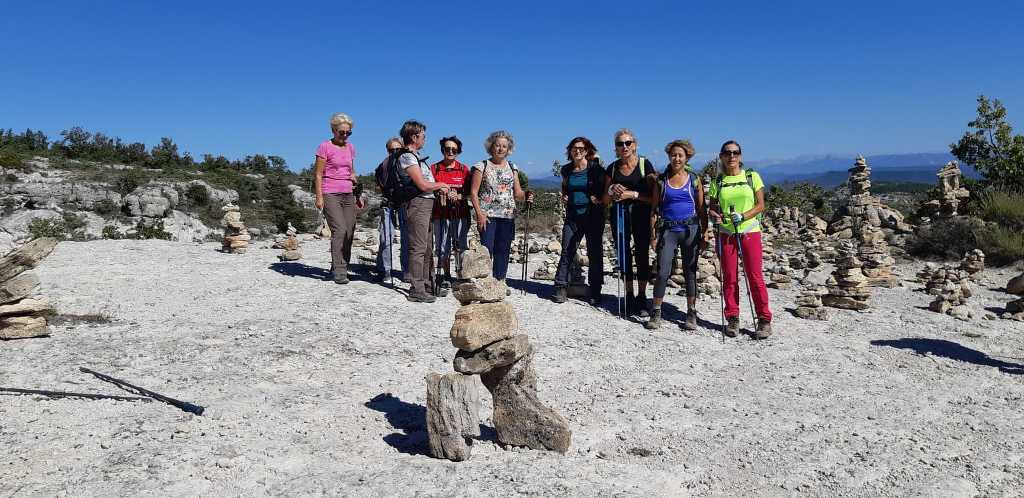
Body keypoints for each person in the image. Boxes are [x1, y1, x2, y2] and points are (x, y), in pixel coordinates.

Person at [708, 140, 772, 338]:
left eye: (735, 153)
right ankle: (732, 318)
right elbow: (712, 207)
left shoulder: (752, 177)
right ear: (721, 157)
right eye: (727, 153)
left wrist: (743, 216)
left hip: (749, 231)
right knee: (729, 276)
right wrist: (714, 216)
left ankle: (764, 319)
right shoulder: (717, 182)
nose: (732, 156)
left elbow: (761, 205)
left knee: (755, 276)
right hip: (726, 232)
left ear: (740, 156)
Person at [646, 139, 707, 330]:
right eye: (673, 155)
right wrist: (653, 236)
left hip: (690, 230)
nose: (676, 158)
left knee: (690, 272)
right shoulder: (662, 181)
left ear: (687, 157)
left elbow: (701, 209)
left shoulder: (694, 180)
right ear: (669, 157)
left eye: (680, 155)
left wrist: (706, 233)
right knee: (663, 272)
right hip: (668, 231)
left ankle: (691, 312)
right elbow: (654, 209)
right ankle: (656, 311)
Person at [603, 129, 657, 317]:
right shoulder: (612, 168)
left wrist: (631, 194)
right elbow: (605, 198)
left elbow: (653, 197)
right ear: (615, 148)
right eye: (620, 144)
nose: (624, 147)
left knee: (642, 254)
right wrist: (611, 189)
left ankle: (642, 296)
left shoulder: (645, 165)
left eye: (628, 143)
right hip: (619, 215)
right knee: (623, 254)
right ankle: (629, 295)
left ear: (635, 145)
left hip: (641, 215)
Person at [469, 130, 533, 286]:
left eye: (504, 146)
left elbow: (517, 193)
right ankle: (484, 281)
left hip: (508, 214)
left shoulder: (513, 167)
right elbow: (473, 192)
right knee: (487, 249)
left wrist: (526, 195)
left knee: (503, 250)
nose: (500, 149)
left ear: (508, 149)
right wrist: (479, 214)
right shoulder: (481, 166)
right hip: (487, 214)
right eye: (497, 145)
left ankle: (499, 282)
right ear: (491, 146)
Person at [396, 120, 450, 302]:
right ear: (414, 136)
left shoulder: (416, 156)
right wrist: (440, 185)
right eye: (423, 136)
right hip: (417, 203)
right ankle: (416, 288)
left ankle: (427, 284)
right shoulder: (407, 157)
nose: (425, 139)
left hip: (425, 204)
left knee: (427, 247)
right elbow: (422, 184)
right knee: (418, 247)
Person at [552, 137, 605, 305]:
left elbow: (604, 189)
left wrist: (599, 198)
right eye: (574, 148)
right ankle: (560, 286)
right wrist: (565, 195)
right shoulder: (566, 170)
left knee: (594, 253)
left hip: (593, 216)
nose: (578, 151)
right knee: (567, 250)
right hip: (573, 215)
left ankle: (595, 290)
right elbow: (566, 186)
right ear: (570, 151)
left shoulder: (595, 169)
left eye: (581, 148)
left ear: (587, 151)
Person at [313, 113, 365, 284]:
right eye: (341, 132)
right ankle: (339, 270)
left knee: (350, 231)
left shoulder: (350, 148)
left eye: (348, 133)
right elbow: (318, 174)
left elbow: (351, 171)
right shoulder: (324, 147)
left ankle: (342, 265)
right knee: (340, 230)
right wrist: (319, 196)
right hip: (330, 192)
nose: (345, 135)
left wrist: (357, 191)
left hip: (348, 192)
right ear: (334, 130)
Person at [430, 136, 471, 292]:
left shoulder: (464, 169)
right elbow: (428, 188)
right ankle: (446, 275)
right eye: (447, 149)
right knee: (442, 247)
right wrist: (440, 191)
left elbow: (469, 192)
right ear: (442, 150)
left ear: (458, 151)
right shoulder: (434, 169)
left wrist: (459, 196)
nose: (450, 151)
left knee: (460, 245)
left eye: (454, 149)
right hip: (440, 214)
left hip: (460, 213)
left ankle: (461, 275)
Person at [374, 137, 404, 282]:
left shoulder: (408, 163)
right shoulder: (382, 166)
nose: (395, 152)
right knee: (386, 238)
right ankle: (384, 269)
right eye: (392, 150)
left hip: (405, 205)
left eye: (398, 149)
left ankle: (407, 270)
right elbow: (380, 185)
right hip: (388, 205)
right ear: (387, 151)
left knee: (407, 240)